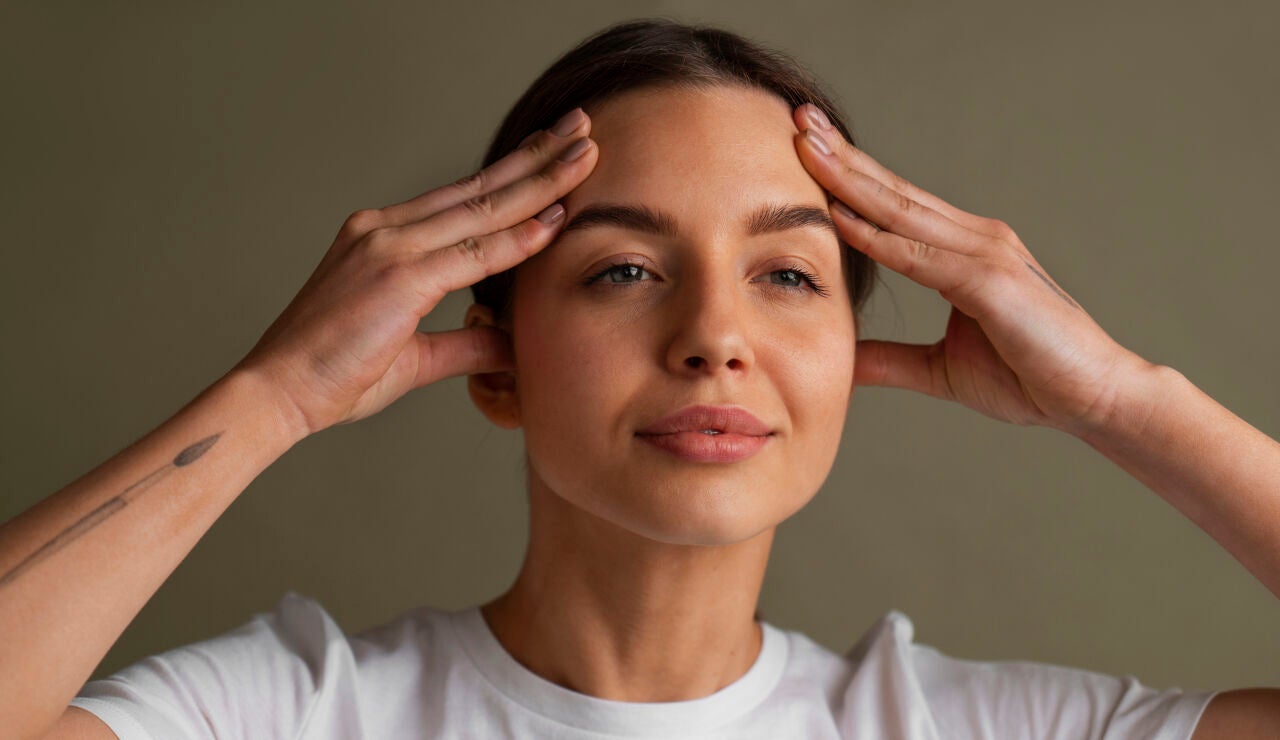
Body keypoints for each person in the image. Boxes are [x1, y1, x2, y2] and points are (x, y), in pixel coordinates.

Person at [3, 17, 1277, 740]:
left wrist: (1119, 396)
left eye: (786, 275)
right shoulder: (294, 715)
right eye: (621, 269)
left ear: (844, 353)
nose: (714, 334)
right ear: (494, 363)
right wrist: (271, 397)